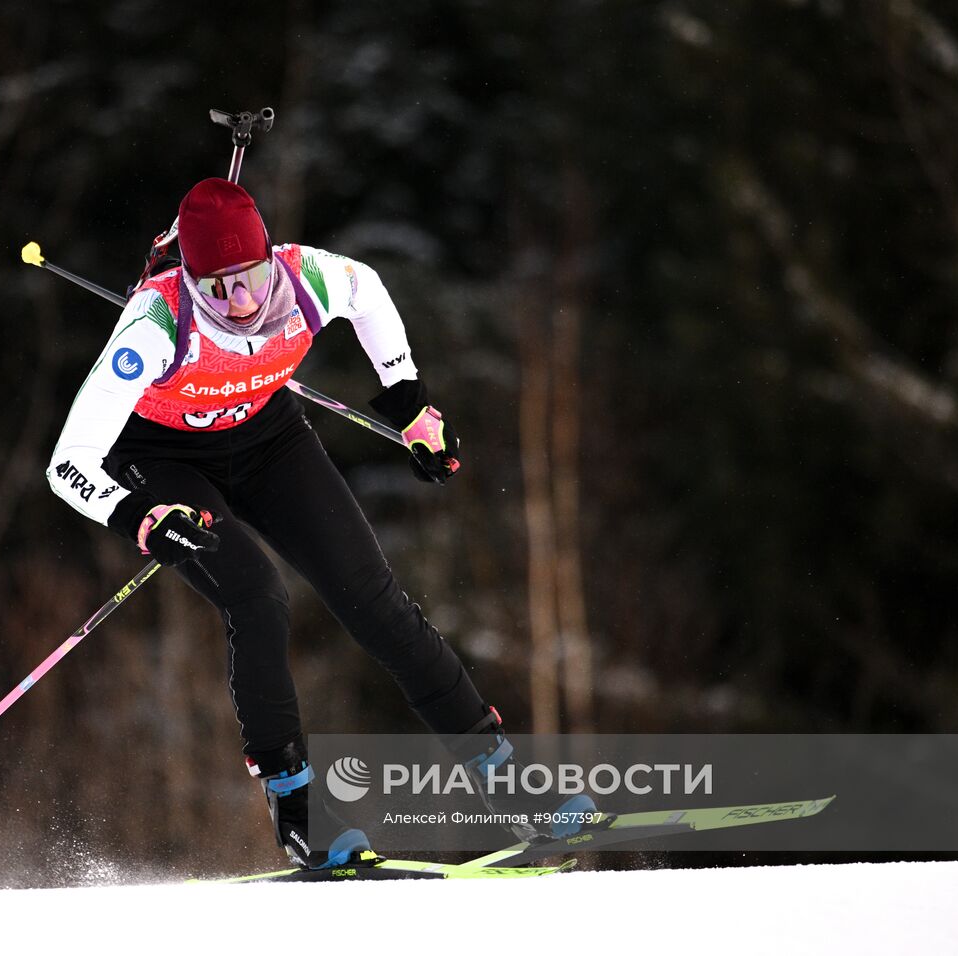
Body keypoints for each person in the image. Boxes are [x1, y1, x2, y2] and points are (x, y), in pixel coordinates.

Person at [48, 178, 592, 869]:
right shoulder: (157, 325)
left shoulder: (309, 279)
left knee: (375, 601)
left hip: (270, 438)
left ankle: (511, 788)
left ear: (271, 260)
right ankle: (301, 811)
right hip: (161, 457)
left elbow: (369, 293)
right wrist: (142, 518)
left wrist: (409, 402)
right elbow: (68, 461)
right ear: (188, 278)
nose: (239, 304)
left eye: (249, 280)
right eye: (217, 289)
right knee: (256, 594)